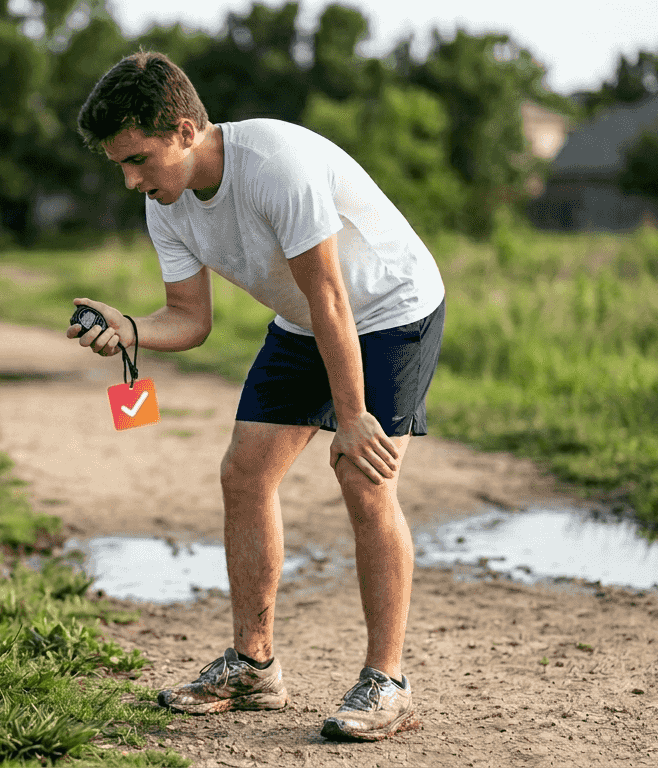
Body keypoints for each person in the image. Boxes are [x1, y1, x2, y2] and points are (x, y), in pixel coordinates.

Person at [66, 51, 445, 743]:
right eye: (121, 165)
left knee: (361, 475)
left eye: (139, 159)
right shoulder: (168, 201)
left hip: (389, 309)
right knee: (244, 473)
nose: (131, 180)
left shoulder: (273, 165)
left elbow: (332, 296)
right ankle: (254, 666)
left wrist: (353, 416)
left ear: (184, 130)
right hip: (307, 319)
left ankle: (388, 683)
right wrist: (129, 328)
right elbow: (190, 318)